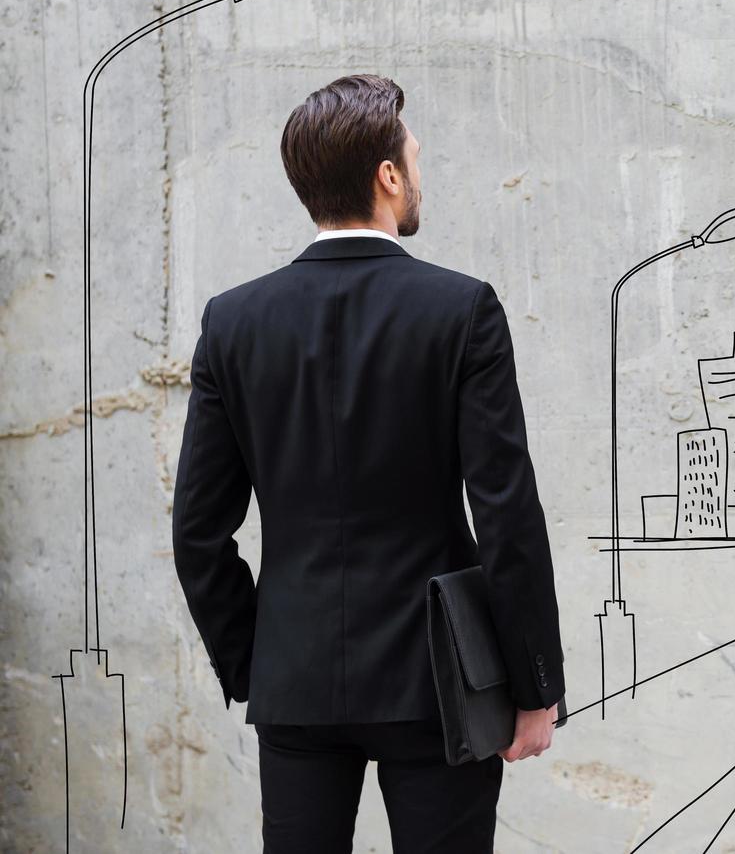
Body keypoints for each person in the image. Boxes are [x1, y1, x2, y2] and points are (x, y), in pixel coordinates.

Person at [170, 74, 565, 852]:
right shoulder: (460, 309)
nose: (420, 174)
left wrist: (257, 660)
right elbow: (506, 512)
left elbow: (196, 532)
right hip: (438, 684)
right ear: (387, 176)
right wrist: (533, 685)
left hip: (295, 679)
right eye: (414, 157)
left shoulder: (234, 322)